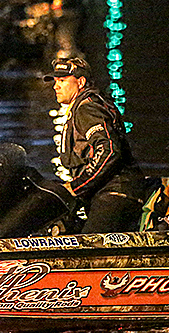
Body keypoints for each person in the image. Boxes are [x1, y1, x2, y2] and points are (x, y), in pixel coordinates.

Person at [45, 57, 146, 233]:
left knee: (90, 241)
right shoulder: (88, 105)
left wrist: (77, 186)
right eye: (55, 81)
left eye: (62, 81)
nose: (56, 86)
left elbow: (109, 150)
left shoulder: (87, 108)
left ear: (81, 82)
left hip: (114, 192)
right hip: (108, 192)